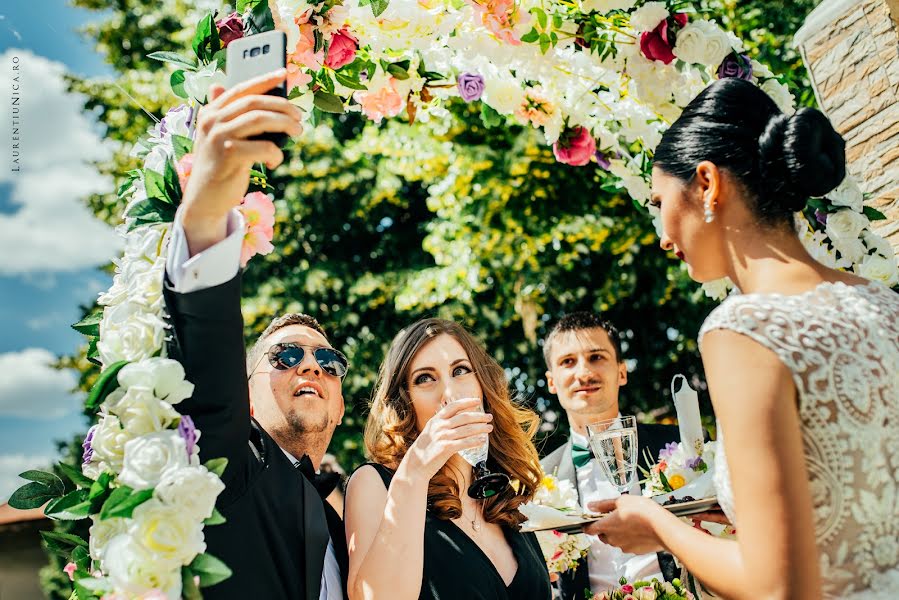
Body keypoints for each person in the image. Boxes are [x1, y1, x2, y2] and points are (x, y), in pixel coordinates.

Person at [584, 77, 899, 599]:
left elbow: (776, 587)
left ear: (706, 184)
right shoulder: (884, 302)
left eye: (659, 202)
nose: (663, 237)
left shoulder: (743, 330)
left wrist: (659, 526)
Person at [162, 68, 349, 600]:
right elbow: (206, 352)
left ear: (340, 406)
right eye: (285, 355)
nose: (311, 366)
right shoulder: (227, 463)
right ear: (244, 391)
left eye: (328, 362)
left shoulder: (351, 529)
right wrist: (208, 207)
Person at [343, 318, 552, 600]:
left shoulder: (502, 495)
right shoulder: (374, 484)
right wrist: (415, 473)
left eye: (461, 371)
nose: (450, 394)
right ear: (404, 402)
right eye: (425, 378)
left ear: (482, 386)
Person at [539, 311, 685, 598]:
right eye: (568, 362)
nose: (583, 373)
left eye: (596, 357)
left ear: (621, 371)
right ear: (552, 381)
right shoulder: (540, 479)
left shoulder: (680, 447)